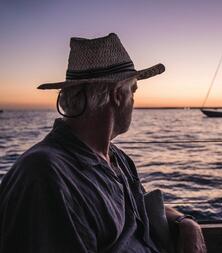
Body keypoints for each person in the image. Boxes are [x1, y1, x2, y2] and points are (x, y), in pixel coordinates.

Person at [0, 33, 206, 253]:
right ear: (117, 95)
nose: (134, 101)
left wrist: (184, 222)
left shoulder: (116, 158)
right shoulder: (45, 176)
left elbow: (139, 207)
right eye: (133, 90)